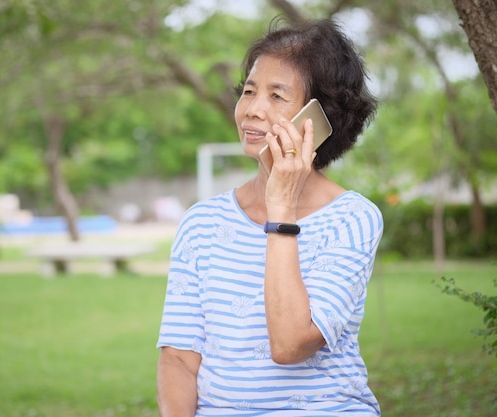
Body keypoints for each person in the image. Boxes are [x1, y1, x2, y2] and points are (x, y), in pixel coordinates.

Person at [156, 17, 383, 417]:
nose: (253, 110)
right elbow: (179, 358)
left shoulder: (353, 219)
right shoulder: (201, 223)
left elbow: (291, 344)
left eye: (277, 97)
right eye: (249, 91)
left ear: (319, 121)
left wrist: (280, 211)